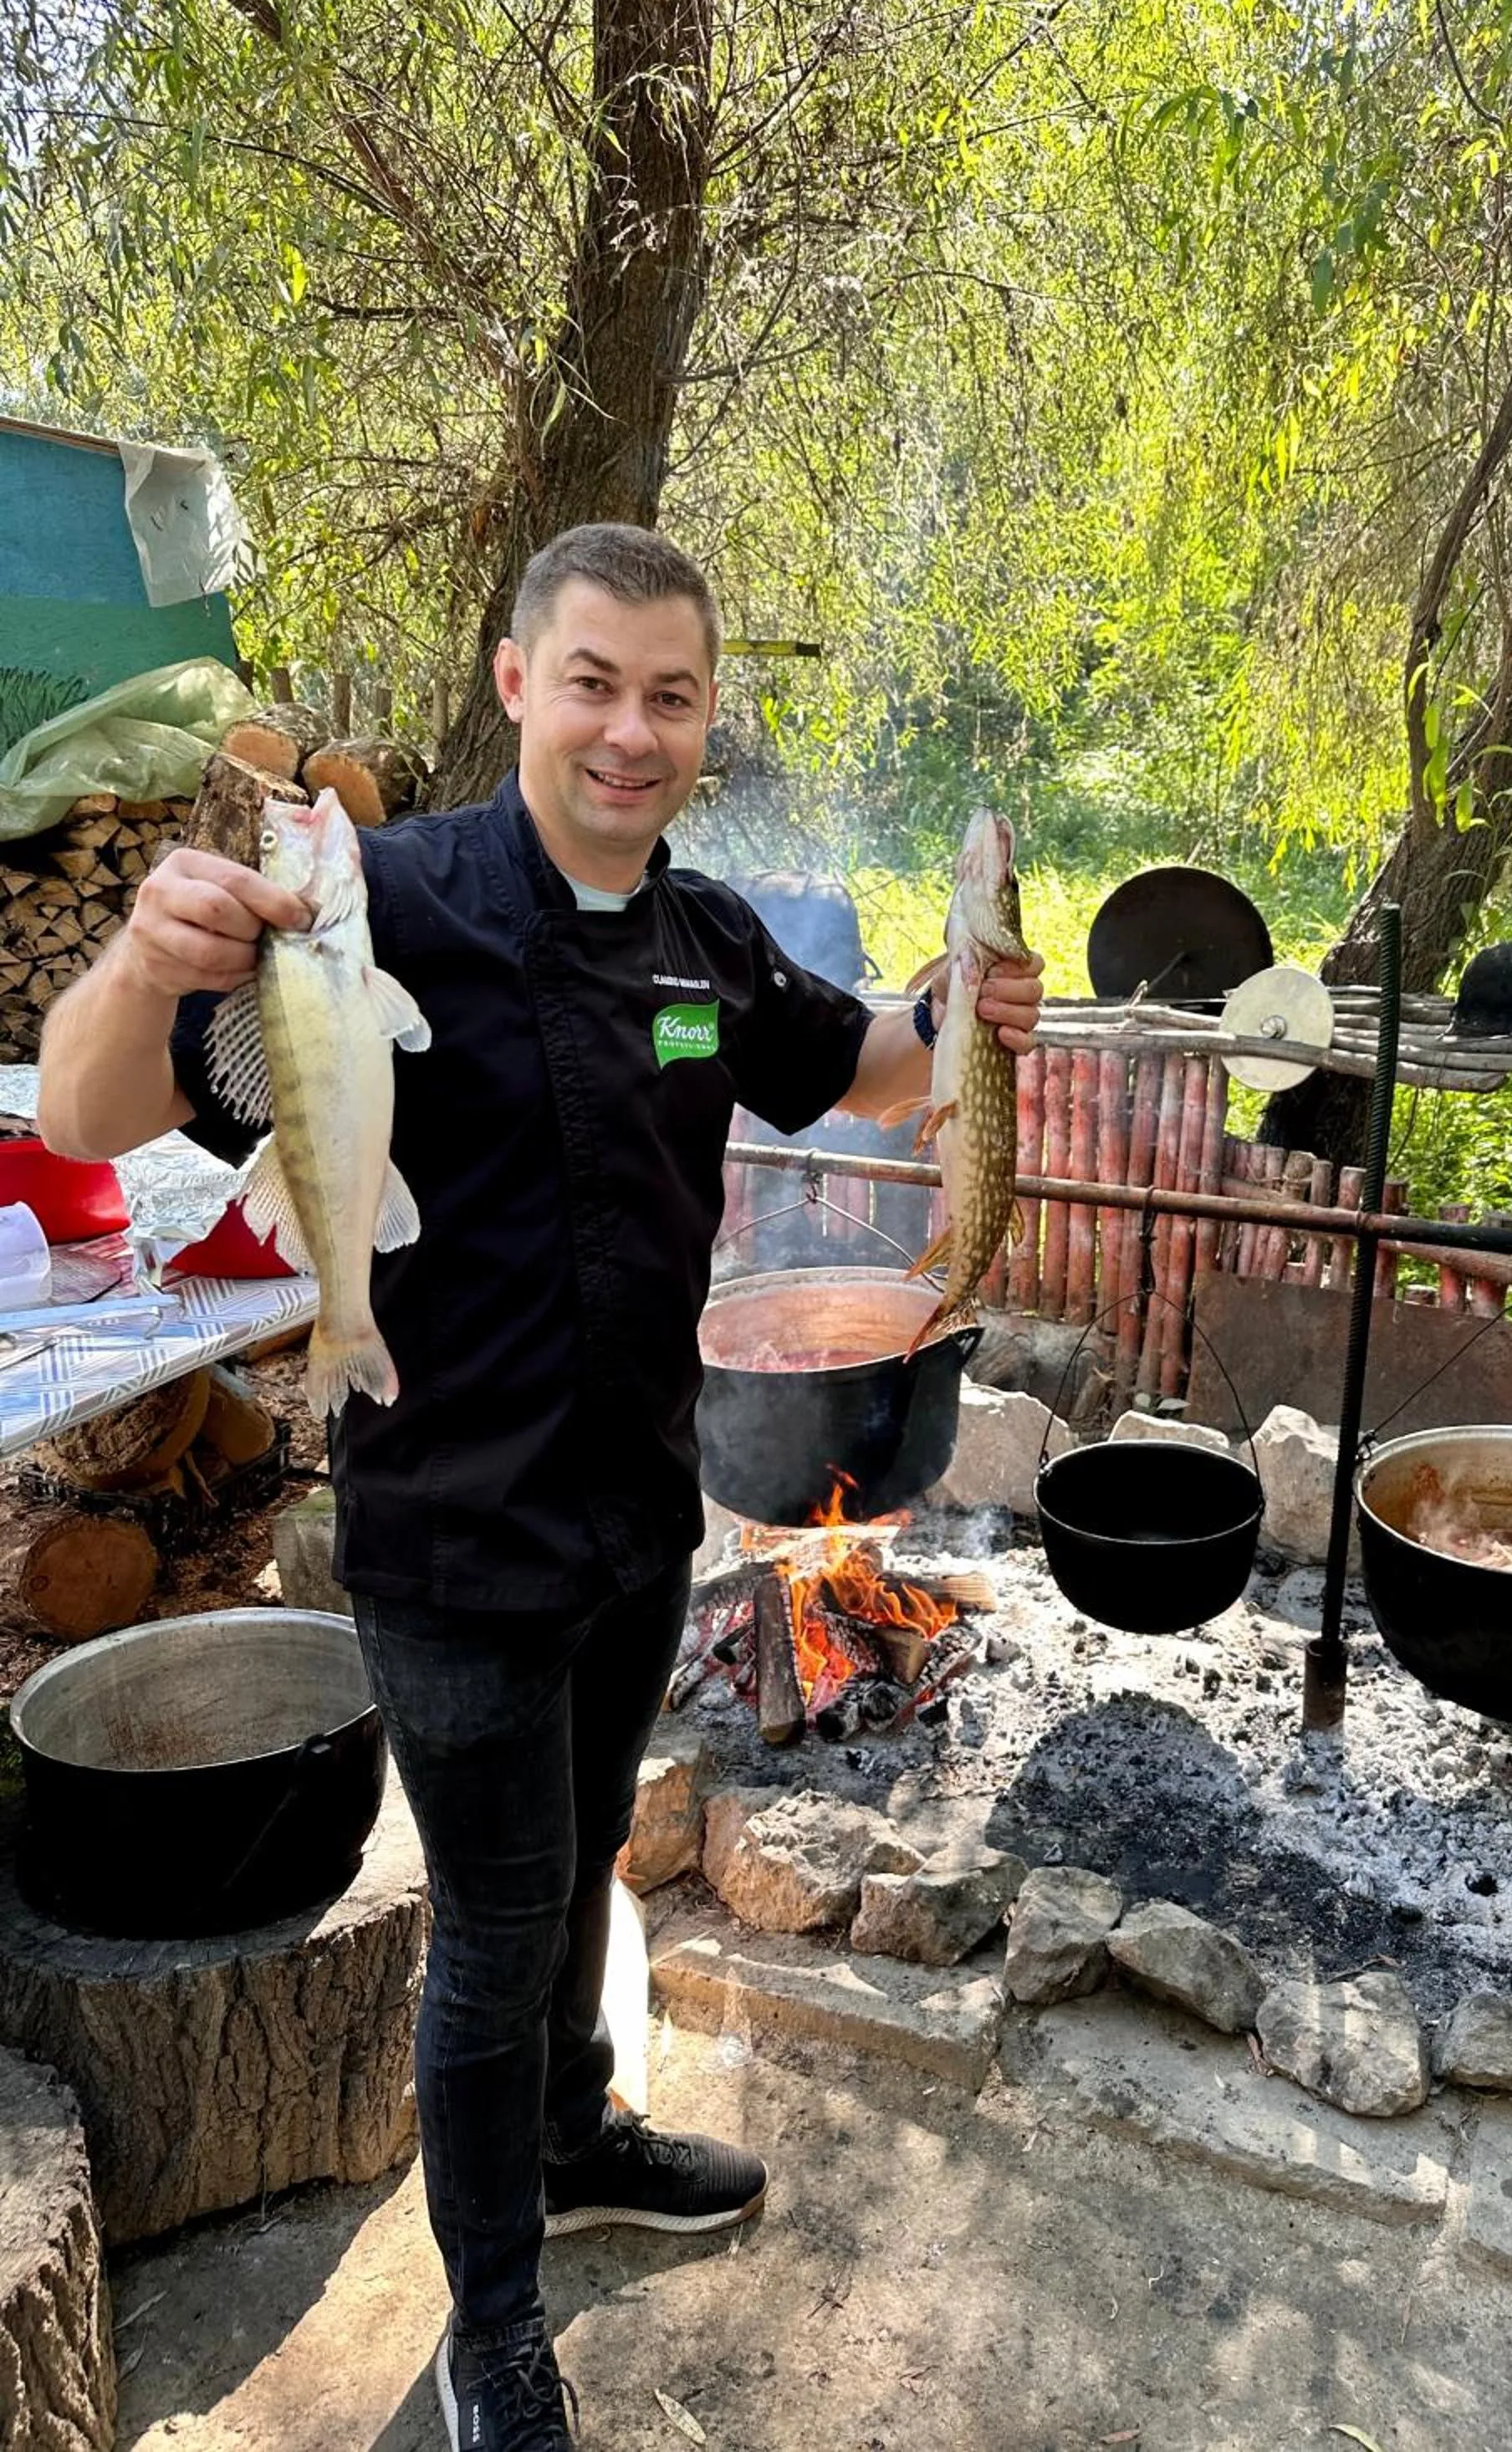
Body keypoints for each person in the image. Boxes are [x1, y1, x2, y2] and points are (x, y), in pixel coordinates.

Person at [35, 523, 1044, 2452]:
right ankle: (489, 2315)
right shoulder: (369, 912)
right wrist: (130, 966)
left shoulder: (707, 945)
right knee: (492, 1931)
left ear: (707, 716)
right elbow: (91, 1110)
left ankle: (575, 2138)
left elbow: (879, 1075)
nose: (629, 731)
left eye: (670, 695)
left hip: (633, 1518)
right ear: (518, 683)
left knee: (575, 1868)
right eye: (592, 681)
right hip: (452, 1541)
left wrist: (966, 999)